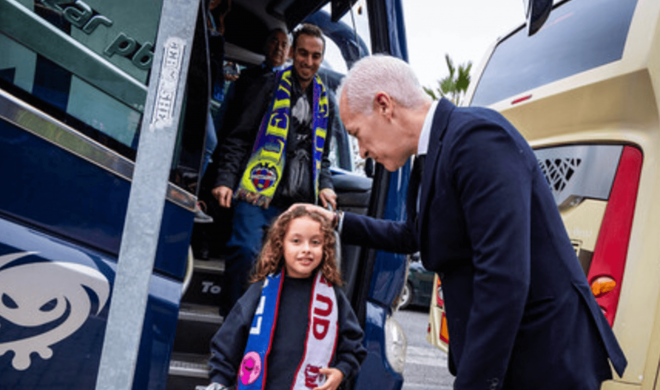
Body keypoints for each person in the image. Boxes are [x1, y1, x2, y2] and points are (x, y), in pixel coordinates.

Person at [296, 55, 627, 390]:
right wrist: (338, 222)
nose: (362, 151)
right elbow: (414, 234)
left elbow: (503, 277)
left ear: (385, 106)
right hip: (513, 355)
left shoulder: (476, 138)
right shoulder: (429, 155)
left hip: (543, 359)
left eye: (357, 134)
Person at [211, 24, 339, 316]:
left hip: (298, 204)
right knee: (245, 253)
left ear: (321, 59)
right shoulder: (266, 85)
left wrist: (326, 184)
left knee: (291, 271)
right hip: (257, 194)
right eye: (303, 53)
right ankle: (230, 331)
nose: (308, 61)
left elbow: (324, 158)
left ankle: (263, 339)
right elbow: (239, 137)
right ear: (292, 52)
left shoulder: (327, 101)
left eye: (315, 56)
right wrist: (226, 180)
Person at [203, 206, 367, 390]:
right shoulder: (261, 292)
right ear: (281, 245)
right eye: (296, 241)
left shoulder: (332, 297)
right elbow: (228, 343)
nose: (306, 249)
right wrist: (219, 381)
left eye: (315, 242)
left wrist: (341, 371)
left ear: (326, 248)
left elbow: (353, 345)